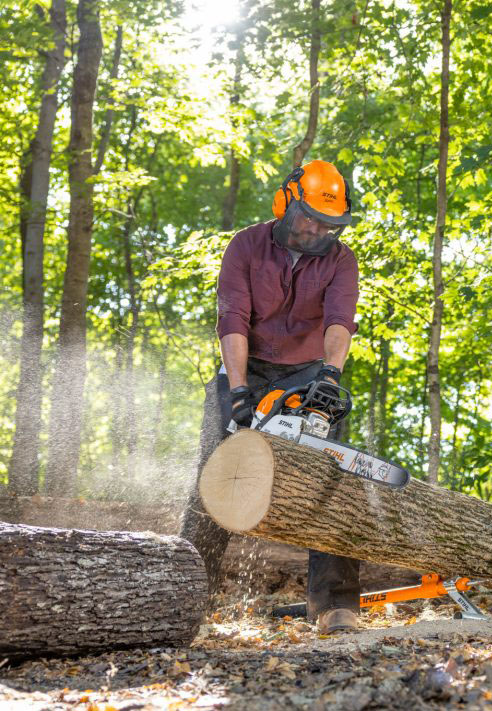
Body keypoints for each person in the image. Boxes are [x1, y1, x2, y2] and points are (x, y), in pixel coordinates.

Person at [180, 159, 362, 634]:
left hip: (307, 374)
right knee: (216, 476)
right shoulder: (247, 245)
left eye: (329, 222)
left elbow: (340, 319)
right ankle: (184, 595)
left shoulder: (341, 260)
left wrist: (329, 376)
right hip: (247, 366)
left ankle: (334, 604)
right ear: (286, 202)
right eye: (309, 217)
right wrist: (239, 390)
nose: (318, 228)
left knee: (331, 477)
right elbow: (233, 318)